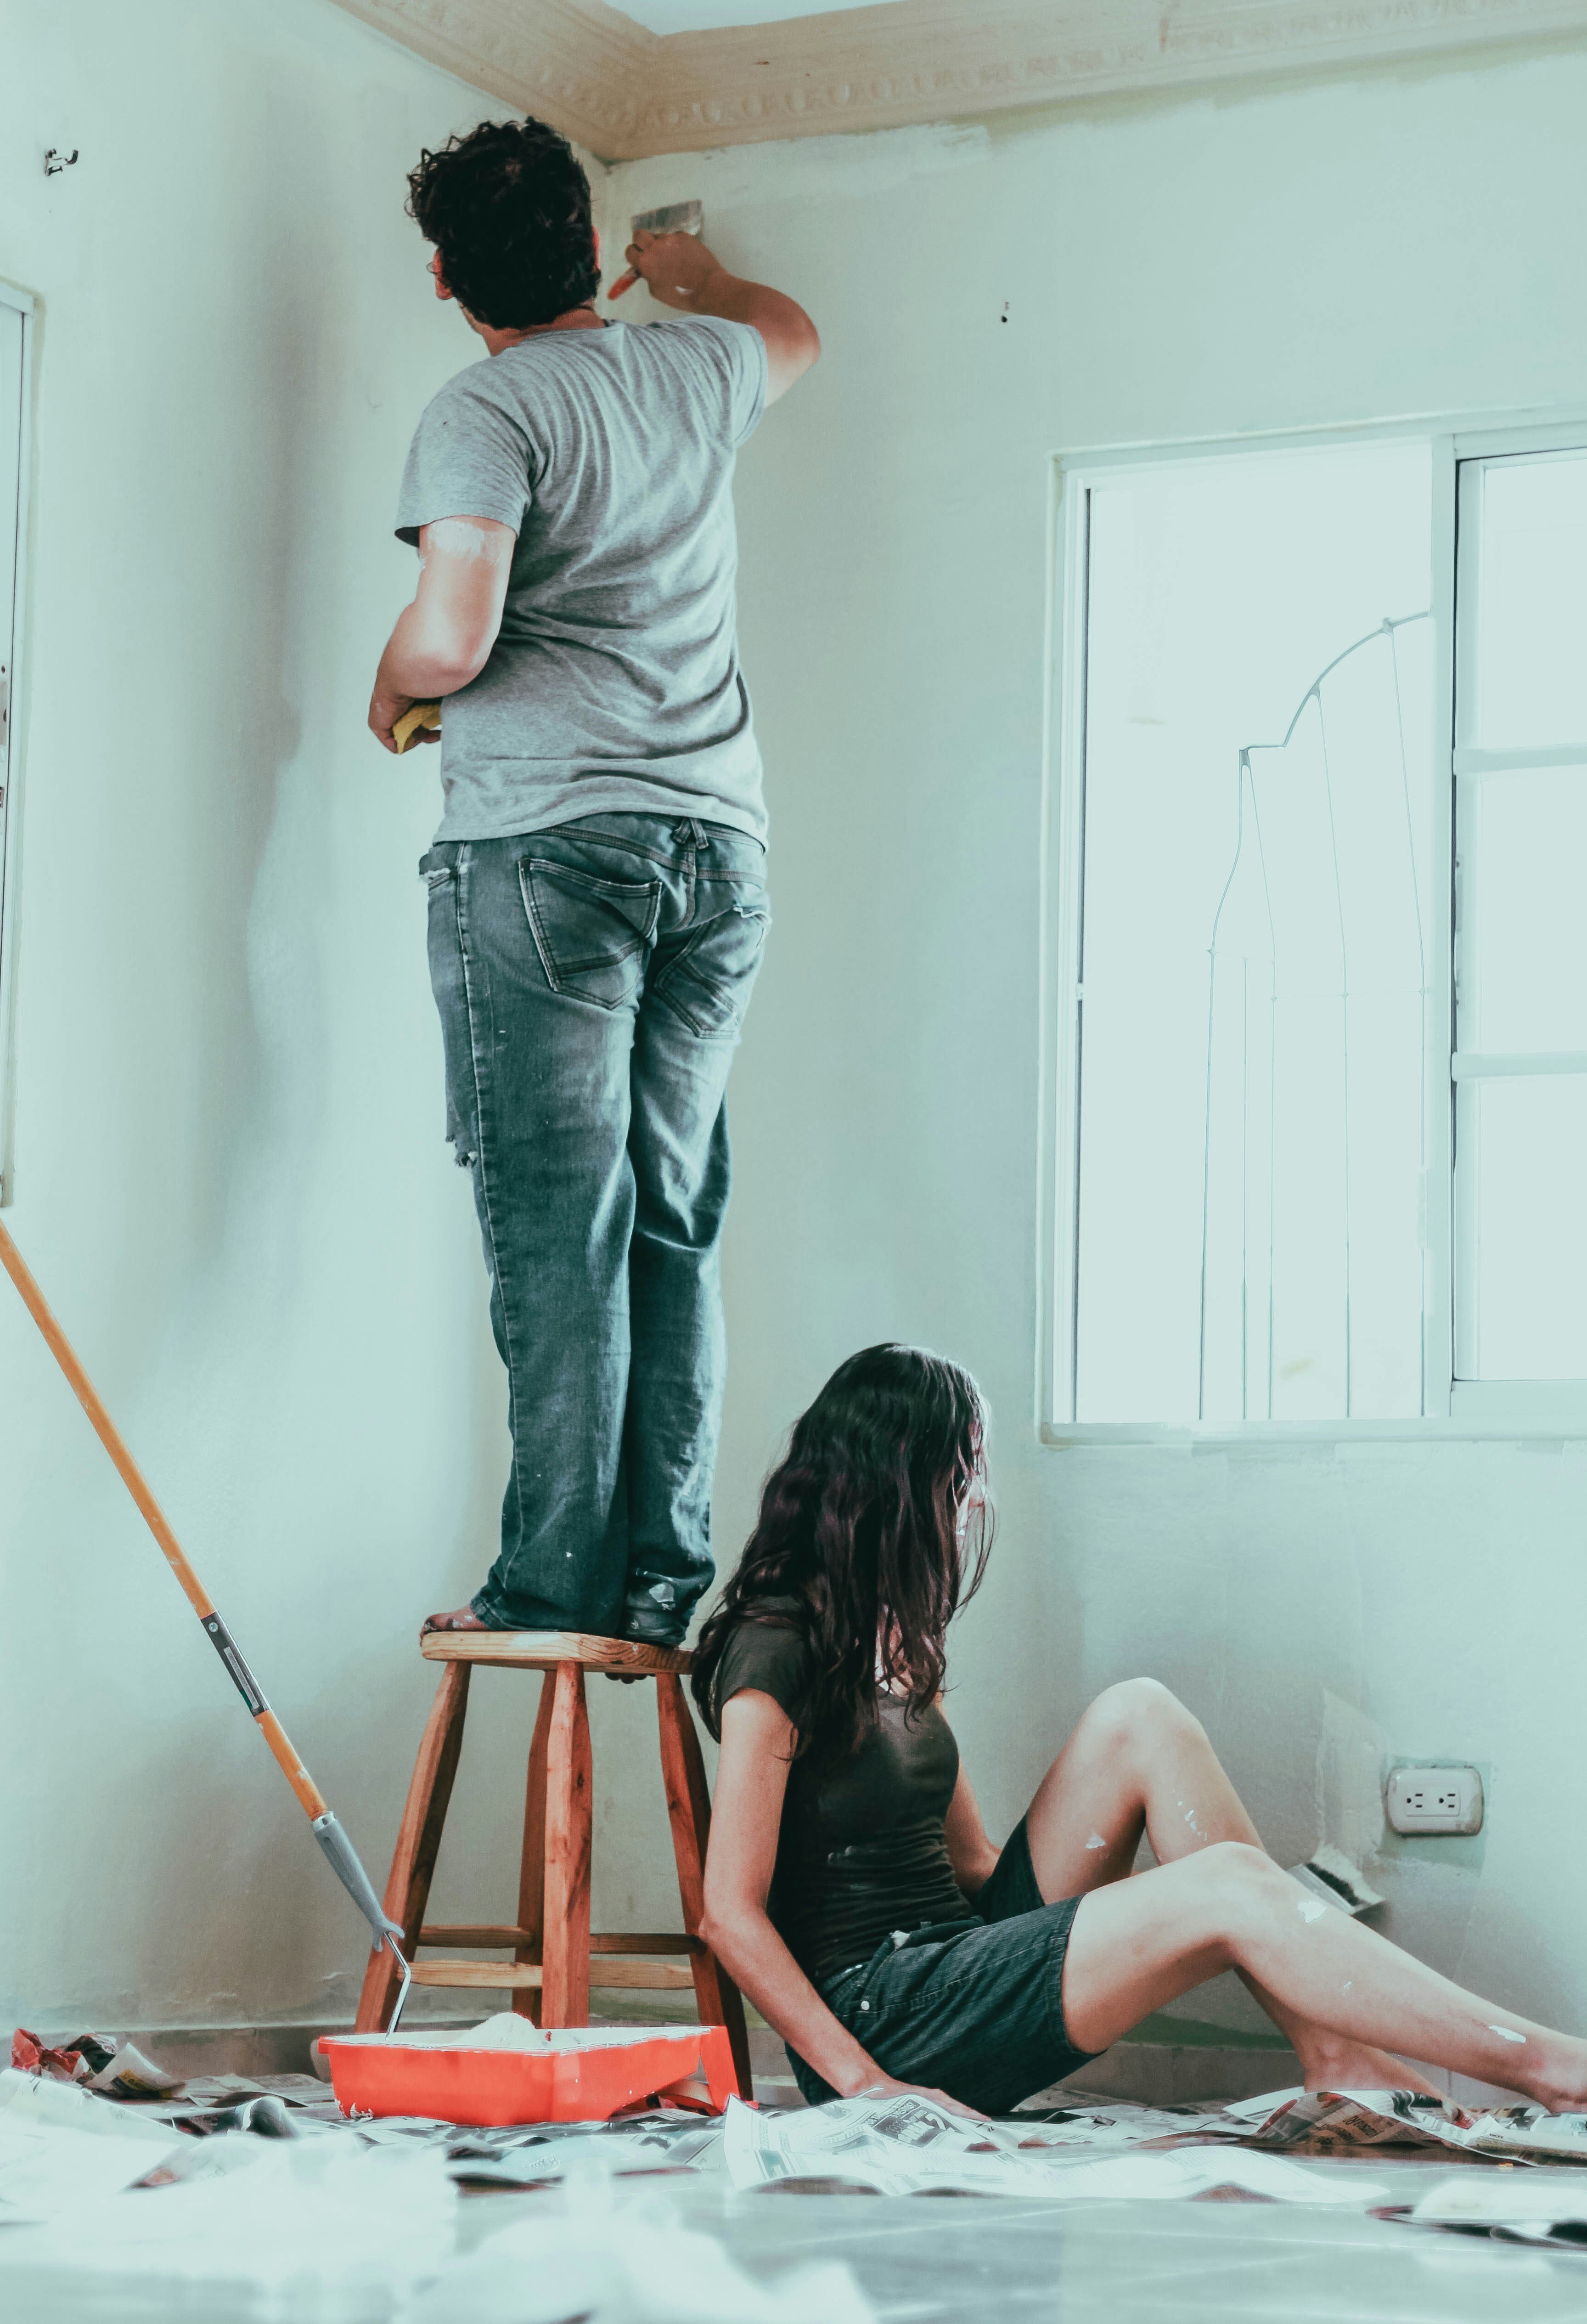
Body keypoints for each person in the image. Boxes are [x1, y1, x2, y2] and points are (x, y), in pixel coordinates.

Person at [366, 119, 819, 1645]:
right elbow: (791, 331)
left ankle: (550, 1581)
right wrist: (698, 274)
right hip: (719, 853)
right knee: (669, 1220)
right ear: (584, 244)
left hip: (550, 852)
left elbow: (453, 636)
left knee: (562, 1231)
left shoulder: (485, 407)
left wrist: (391, 680)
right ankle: (660, 1574)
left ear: (447, 277)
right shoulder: (693, 365)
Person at [693, 1343, 1587, 2116]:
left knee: (1142, 1715)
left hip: (953, 1965)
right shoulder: (775, 1648)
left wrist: (1117, 1928)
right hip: (880, 2019)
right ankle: (1549, 2067)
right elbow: (729, 1914)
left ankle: (1336, 2053)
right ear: (896, 1480)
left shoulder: (898, 1639)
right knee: (1227, 1884)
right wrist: (865, 2084)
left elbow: (971, 1867)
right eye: (962, 1473)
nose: (977, 1501)